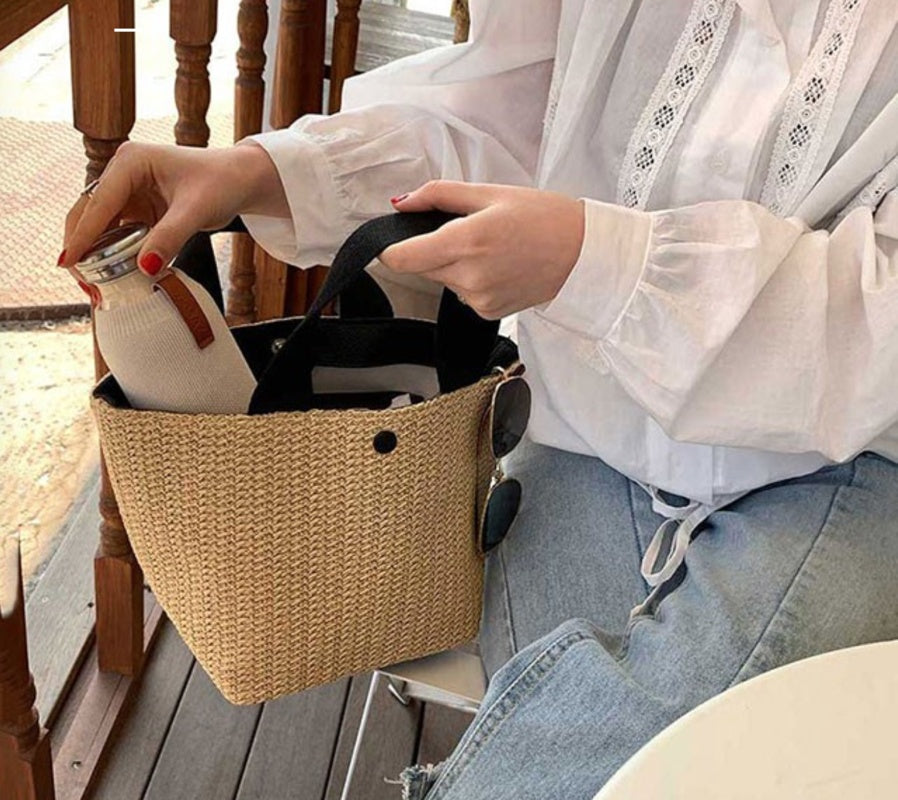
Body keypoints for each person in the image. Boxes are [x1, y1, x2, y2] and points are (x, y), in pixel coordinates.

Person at [61, 1, 898, 797]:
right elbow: (518, 104)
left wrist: (592, 263)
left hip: (855, 453)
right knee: (554, 694)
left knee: (669, 746)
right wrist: (257, 172)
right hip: (592, 415)